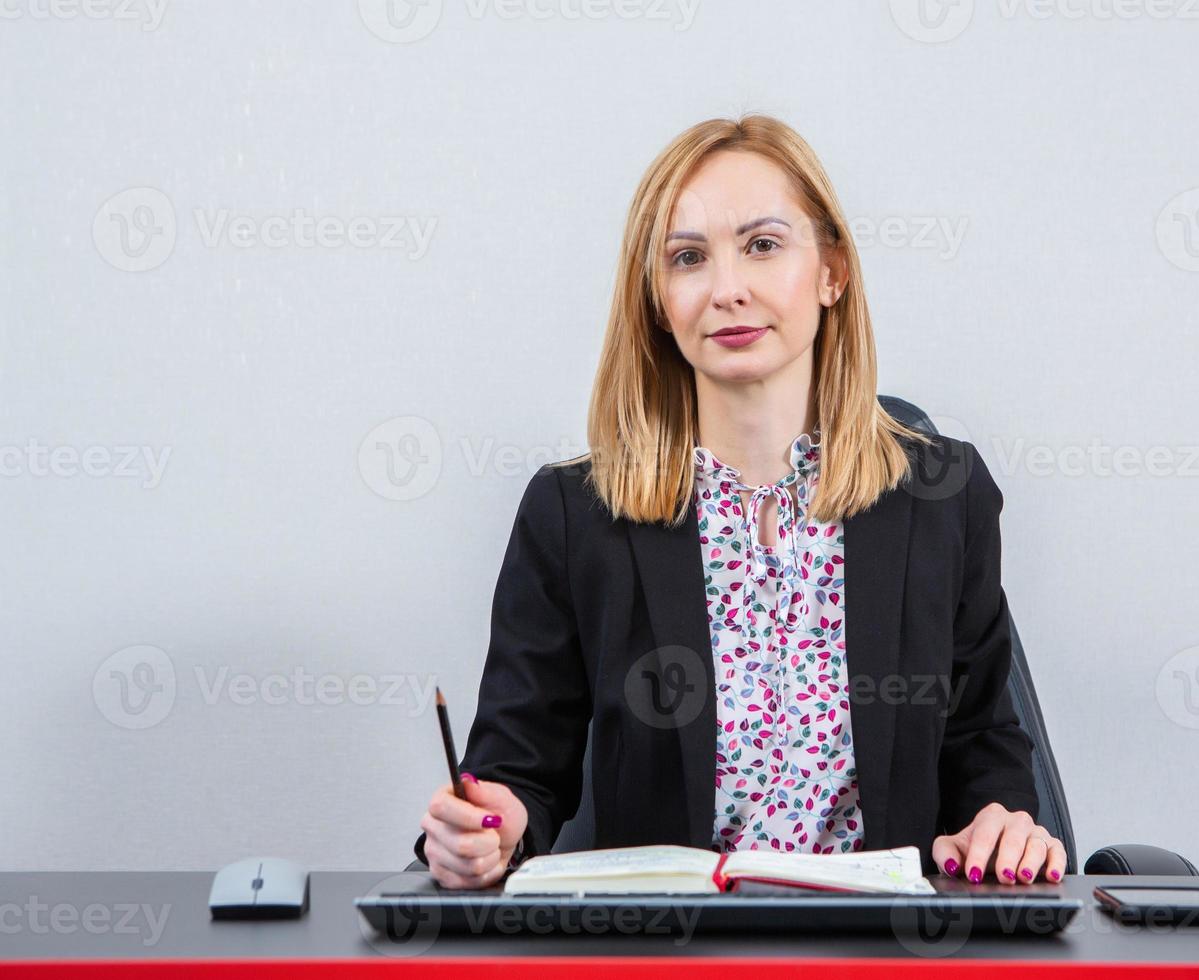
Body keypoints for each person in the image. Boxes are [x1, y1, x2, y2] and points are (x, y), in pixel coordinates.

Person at [414, 113, 1068, 889]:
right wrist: (491, 827)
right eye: (687, 258)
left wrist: (1003, 817)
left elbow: (983, 740)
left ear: (832, 271)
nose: (727, 290)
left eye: (762, 245)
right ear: (658, 300)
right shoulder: (573, 515)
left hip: (882, 948)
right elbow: (516, 769)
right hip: (667, 950)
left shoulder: (942, 497)